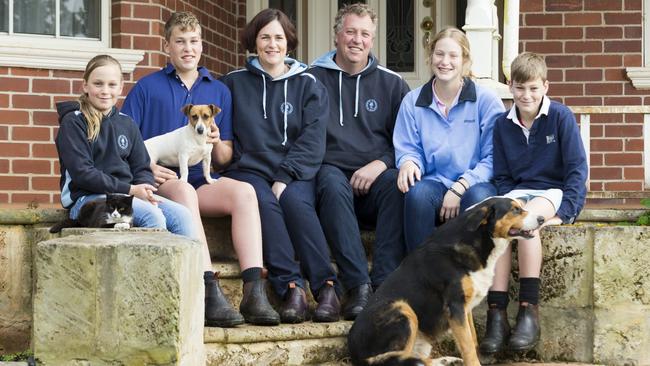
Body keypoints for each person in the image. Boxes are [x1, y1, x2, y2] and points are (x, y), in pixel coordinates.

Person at [122, 11, 280, 327]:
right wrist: (147, 167)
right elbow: (125, 142)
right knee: (182, 190)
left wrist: (218, 141)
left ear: (202, 45)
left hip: (203, 176)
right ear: (166, 46)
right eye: (180, 41)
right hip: (164, 177)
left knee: (246, 193)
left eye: (194, 41)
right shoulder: (146, 87)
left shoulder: (219, 91)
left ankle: (253, 291)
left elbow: (224, 157)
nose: (188, 48)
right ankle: (209, 288)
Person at [219, 9, 340, 323]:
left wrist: (285, 176)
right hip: (249, 169)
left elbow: (313, 139)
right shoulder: (232, 83)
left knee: (295, 203)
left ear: (289, 42)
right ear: (254, 41)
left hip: (296, 169)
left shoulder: (309, 83)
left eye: (278, 37)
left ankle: (326, 287)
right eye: (264, 37)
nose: (272, 44)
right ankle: (291, 287)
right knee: (264, 202)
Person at [480, 52, 587, 355]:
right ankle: (496, 316)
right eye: (520, 88)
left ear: (545, 87)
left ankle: (529, 311)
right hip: (518, 192)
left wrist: (567, 213)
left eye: (534, 88)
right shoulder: (503, 124)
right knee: (499, 227)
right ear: (510, 86)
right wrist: (506, 201)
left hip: (551, 192)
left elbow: (577, 168)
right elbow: (501, 174)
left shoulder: (560, 117)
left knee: (527, 226)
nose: (526, 95)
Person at [309, 3, 410, 320]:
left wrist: (380, 163)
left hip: (374, 180)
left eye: (365, 34)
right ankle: (358, 287)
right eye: (350, 31)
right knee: (330, 180)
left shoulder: (392, 84)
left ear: (373, 39)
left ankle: (384, 284)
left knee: (398, 183)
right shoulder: (311, 80)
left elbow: (407, 143)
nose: (357, 40)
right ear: (337, 35)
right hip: (331, 180)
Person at [54, 54, 194, 246]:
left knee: (182, 216)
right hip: (87, 200)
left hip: (127, 195)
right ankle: (150, 276)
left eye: (112, 85)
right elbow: (83, 174)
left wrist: (145, 189)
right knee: (153, 218)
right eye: (98, 84)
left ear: (121, 88)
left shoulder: (127, 123)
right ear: (85, 86)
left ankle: (194, 276)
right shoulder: (74, 123)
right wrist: (130, 190)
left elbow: (142, 167)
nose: (105, 91)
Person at [393, 27, 505, 252]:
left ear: (465, 61)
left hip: (476, 183)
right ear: (430, 56)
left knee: (478, 198)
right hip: (434, 181)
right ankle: (421, 276)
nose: (445, 61)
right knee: (417, 194)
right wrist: (408, 161)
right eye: (439, 54)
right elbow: (408, 147)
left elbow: (494, 157)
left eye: (453, 56)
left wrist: (460, 187)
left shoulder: (486, 101)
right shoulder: (412, 101)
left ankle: (470, 278)